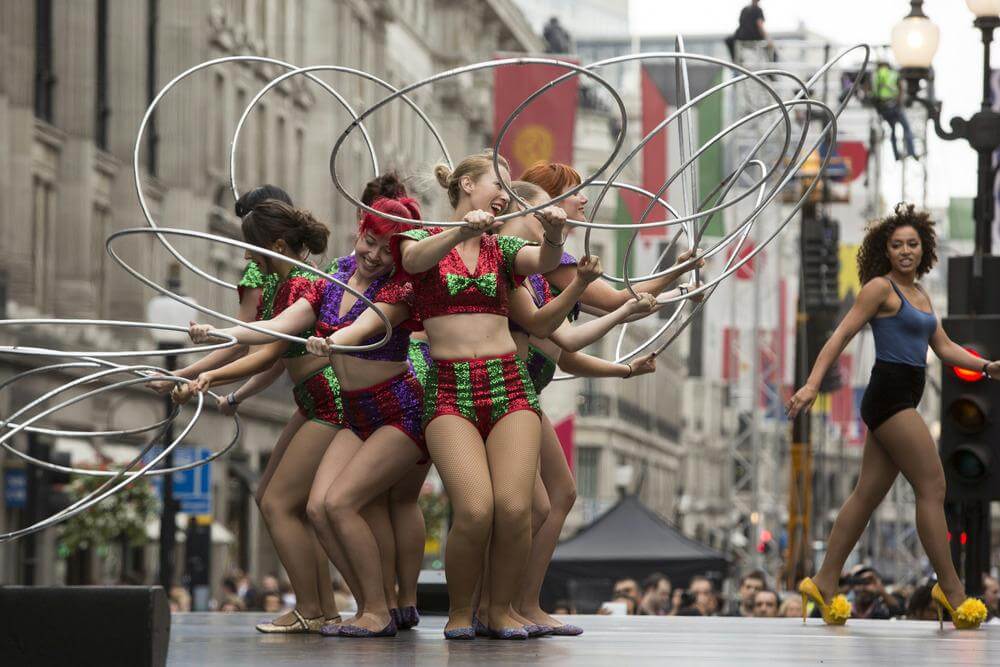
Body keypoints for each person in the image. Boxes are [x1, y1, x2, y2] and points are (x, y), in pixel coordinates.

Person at [313, 150, 566, 640]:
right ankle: (458, 612)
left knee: (517, 508)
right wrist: (461, 231)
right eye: (500, 183)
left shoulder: (502, 249)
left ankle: (498, 611)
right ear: (468, 185)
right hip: (449, 392)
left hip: (508, 385)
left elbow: (543, 261)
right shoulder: (422, 239)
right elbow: (413, 260)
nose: (507, 194)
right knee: (476, 510)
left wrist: (553, 235)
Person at [788, 203, 996, 630]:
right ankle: (952, 591)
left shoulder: (919, 295)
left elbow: (945, 348)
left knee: (866, 495)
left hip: (904, 396)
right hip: (890, 397)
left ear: (924, 249)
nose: (905, 251)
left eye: (912, 244)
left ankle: (823, 583)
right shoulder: (879, 289)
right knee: (934, 485)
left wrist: (987, 367)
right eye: (897, 244)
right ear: (886, 250)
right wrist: (811, 384)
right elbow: (841, 335)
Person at [872, 61, 917, 161]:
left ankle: (896, 155)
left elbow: (874, 93)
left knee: (892, 131)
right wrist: (899, 104)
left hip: (884, 108)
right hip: (895, 106)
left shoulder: (876, 75)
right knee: (906, 128)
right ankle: (911, 152)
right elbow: (901, 89)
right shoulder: (893, 74)